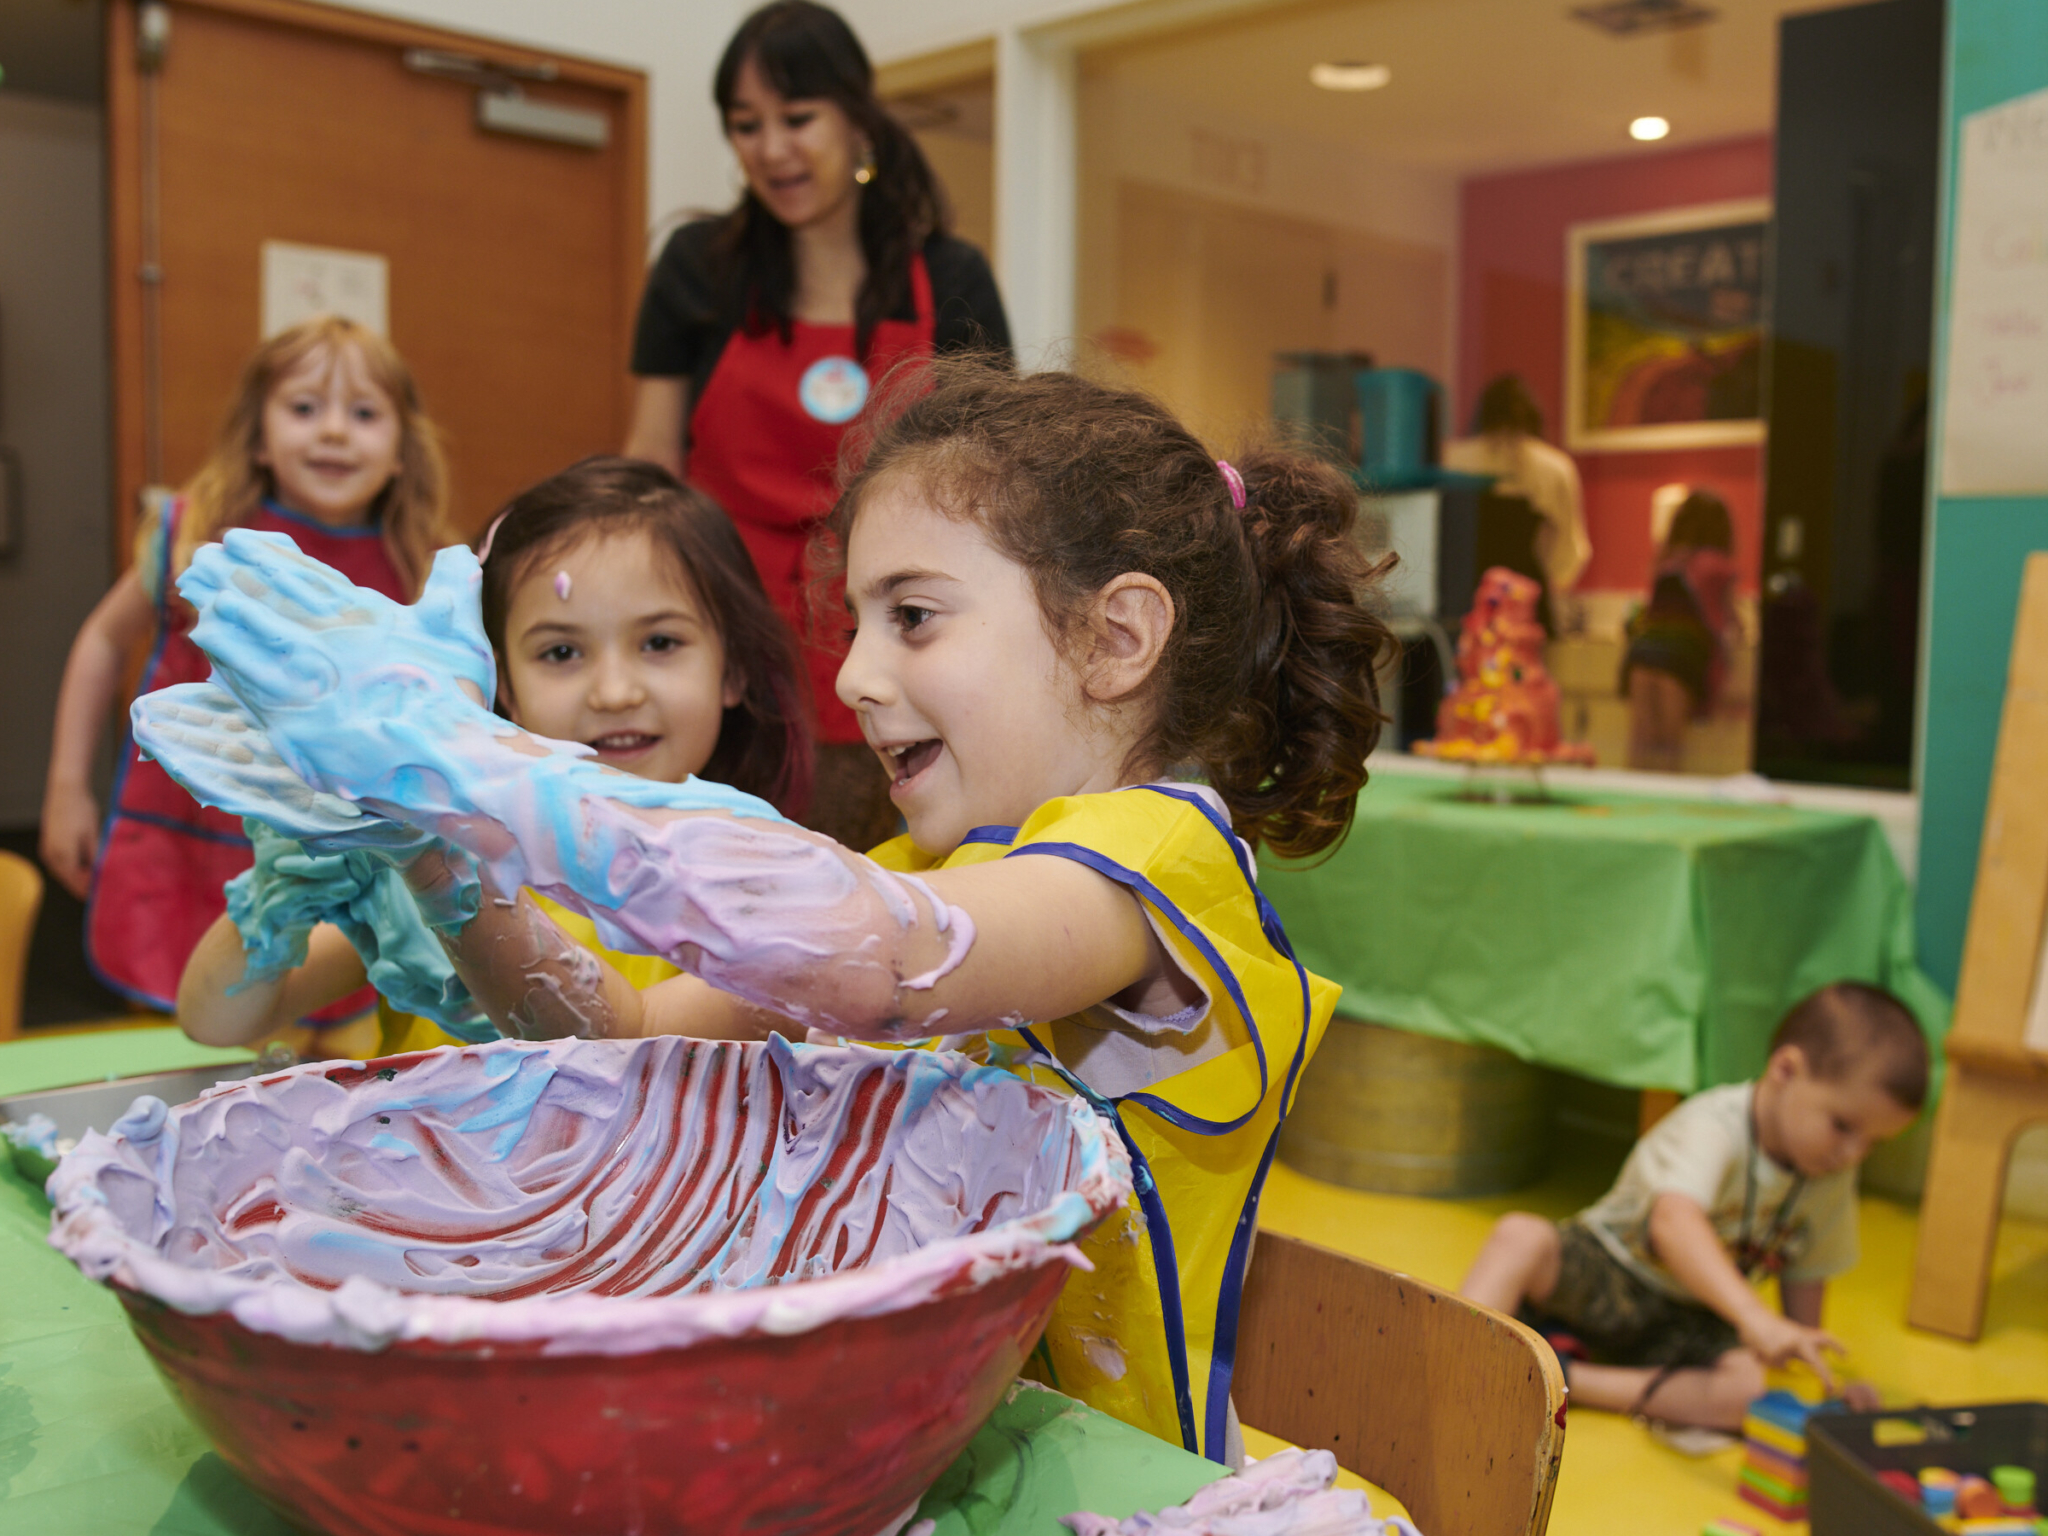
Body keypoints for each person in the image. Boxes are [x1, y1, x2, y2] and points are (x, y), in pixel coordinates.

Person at [137, 361, 1391, 1466]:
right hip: (944, 1455)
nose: (852, 674)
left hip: (1111, 1483)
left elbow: (879, 961)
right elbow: (625, 1034)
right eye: (856, 624)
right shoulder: (926, 864)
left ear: (1113, 638)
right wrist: (446, 852)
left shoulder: (1154, 862)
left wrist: (473, 762)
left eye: (913, 615)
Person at [175, 456, 812, 1060]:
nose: (616, 691)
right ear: (497, 681)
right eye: (561, 652)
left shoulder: (773, 887)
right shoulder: (425, 851)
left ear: (731, 668)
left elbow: (632, 1057)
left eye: (660, 642)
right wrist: (280, 889)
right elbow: (217, 1022)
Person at [623, 0, 1010, 853]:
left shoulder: (950, 276)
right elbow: (650, 459)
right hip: (726, 629)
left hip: (890, 632)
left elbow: (994, 480)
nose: (771, 149)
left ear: (857, 118)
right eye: (745, 126)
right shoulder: (697, 270)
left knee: (882, 881)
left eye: (797, 119)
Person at [41, 316, 452, 1013]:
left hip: (331, 852)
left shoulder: (420, 571)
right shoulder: (196, 533)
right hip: (181, 840)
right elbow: (104, 642)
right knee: (190, 1022)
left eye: (363, 413)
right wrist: (65, 784)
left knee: (305, 1035)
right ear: (259, 437)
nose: (332, 431)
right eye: (303, 408)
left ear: (401, 453)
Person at [1460, 982, 1927, 1432]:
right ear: (1785, 1070)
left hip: (1691, 1313)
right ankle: (1455, 1362)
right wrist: (1754, 1318)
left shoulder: (1829, 1172)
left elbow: (1805, 1270)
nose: (1852, 1154)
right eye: (1843, 1125)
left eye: (1872, 1143)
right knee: (1520, 1236)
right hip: (1611, 1269)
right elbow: (1672, 1221)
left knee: (1746, 1393)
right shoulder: (1715, 1126)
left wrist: (1822, 1377)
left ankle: (1564, 1381)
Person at [1443, 373, 1592, 613]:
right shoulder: (1554, 467)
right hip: (1526, 608)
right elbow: (1571, 551)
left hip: (1460, 606)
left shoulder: (1450, 459)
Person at [1621, 487, 1741, 772]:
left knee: (1641, 747)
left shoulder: (1666, 562)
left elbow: (1651, 610)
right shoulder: (1719, 566)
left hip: (1643, 650)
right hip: (1680, 655)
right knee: (1669, 750)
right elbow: (1719, 620)